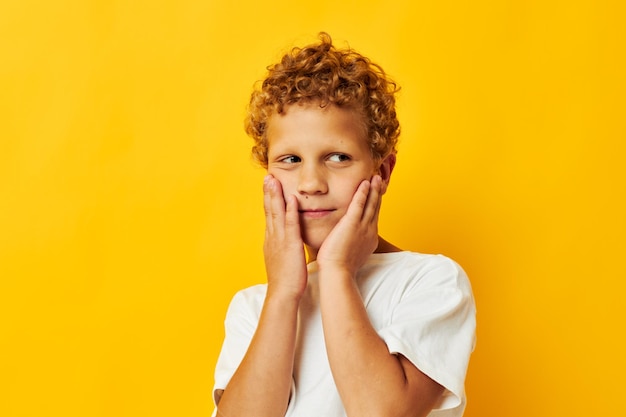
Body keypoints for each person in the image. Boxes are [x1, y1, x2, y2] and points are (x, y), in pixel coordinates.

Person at [211, 33, 476, 417]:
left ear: (382, 170)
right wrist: (284, 292)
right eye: (289, 160)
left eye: (337, 157)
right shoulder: (255, 308)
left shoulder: (431, 281)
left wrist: (336, 270)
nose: (311, 184)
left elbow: (382, 412)